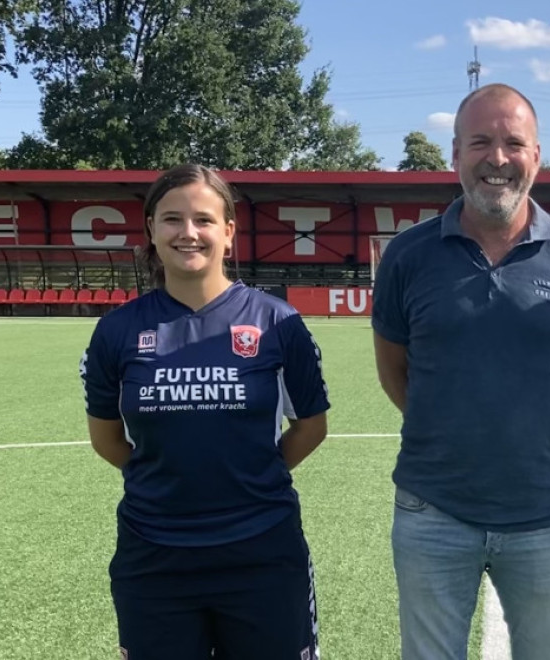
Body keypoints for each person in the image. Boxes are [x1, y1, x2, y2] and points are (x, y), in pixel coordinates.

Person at [370, 83, 550, 660]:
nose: (497, 158)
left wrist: (537, 435)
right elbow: (392, 370)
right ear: (454, 154)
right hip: (431, 509)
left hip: (543, 513)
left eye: (514, 143)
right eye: (480, 142)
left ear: (537, 156)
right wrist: (447, 428)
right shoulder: (408, 256)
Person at [79, 163, 330, 660]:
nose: (188, 233)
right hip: (154, 555)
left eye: (204, 220)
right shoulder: (117, 331)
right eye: (172, 219)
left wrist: (253, 479)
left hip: (262, 550)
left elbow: (311, 427)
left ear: (229, 232)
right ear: (151, 228)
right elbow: (107, 440)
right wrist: (166, 481)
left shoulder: (279, 324)